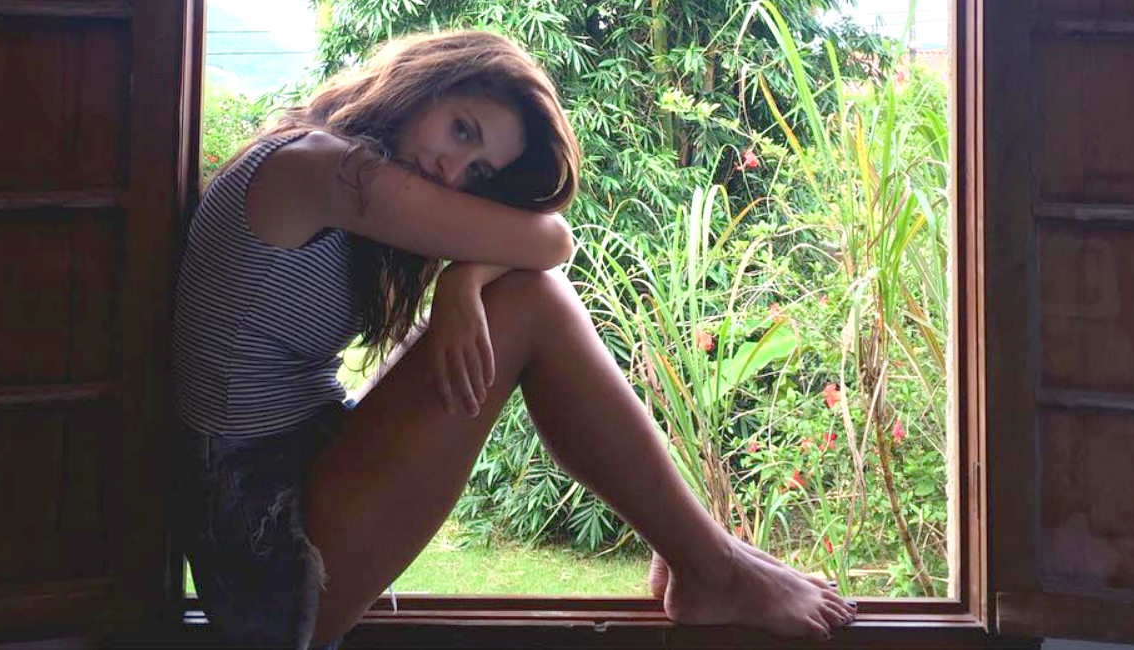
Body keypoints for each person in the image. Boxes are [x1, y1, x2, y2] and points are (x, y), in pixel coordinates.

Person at [172, 29, 856, 650]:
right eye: (461, 129)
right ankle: (712, 568)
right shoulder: (323, 170)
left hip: (289, 481)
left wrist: (463, 280)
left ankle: (703, 554)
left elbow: (541, 241)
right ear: (420, 85)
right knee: (533, 301)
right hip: (263, 553)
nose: (452, 169)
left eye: (478, 172)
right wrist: (463, 280)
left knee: (524, 295)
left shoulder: (329, 161)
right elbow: (552, 242)